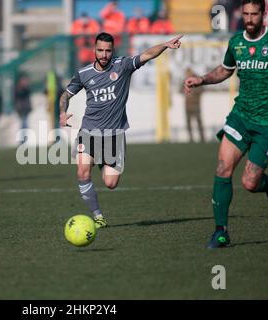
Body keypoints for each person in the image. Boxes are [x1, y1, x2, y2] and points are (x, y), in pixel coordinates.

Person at [184, 0, 268, 249]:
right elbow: (225, 70)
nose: (249, 19)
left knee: (249, 183)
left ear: (264, 14)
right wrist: (200, 79)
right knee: (222, 168)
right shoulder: (236, 42)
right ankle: (220, 232)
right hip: (240, 116)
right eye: (245, 14)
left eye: (254, 14)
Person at [60, 32, 182, 228]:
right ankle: (98, 216)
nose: (104, 54)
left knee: (111, 183)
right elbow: (65, 95)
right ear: (94, 50)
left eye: (108, 51)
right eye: (100, 50)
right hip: (88, 132)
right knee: (82, 172)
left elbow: (147, 54)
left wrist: (165, 45)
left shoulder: (123, 66)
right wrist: (62, 113)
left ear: (112, 51)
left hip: (114, 136)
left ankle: (102, 161)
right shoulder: (83, 74)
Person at [181, 68, 205, 143]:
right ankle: (191, 139)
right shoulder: (185, 81)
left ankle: (202, 139)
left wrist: (193, 92)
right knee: (188, 123)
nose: (187, 75)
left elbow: (202, 90)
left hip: (195, 105)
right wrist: (184, 91)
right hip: (187, 105)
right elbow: (180, 90)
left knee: (199, 122)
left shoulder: (196, 80)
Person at [14, 74, 32, 144]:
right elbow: (18, 96)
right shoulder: (18, 89)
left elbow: (28, 97)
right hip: (21, 109)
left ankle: (24, 139)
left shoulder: (27, 89)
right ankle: (22, 140)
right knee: (24, 124)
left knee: (25, 124)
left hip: (26, 109)